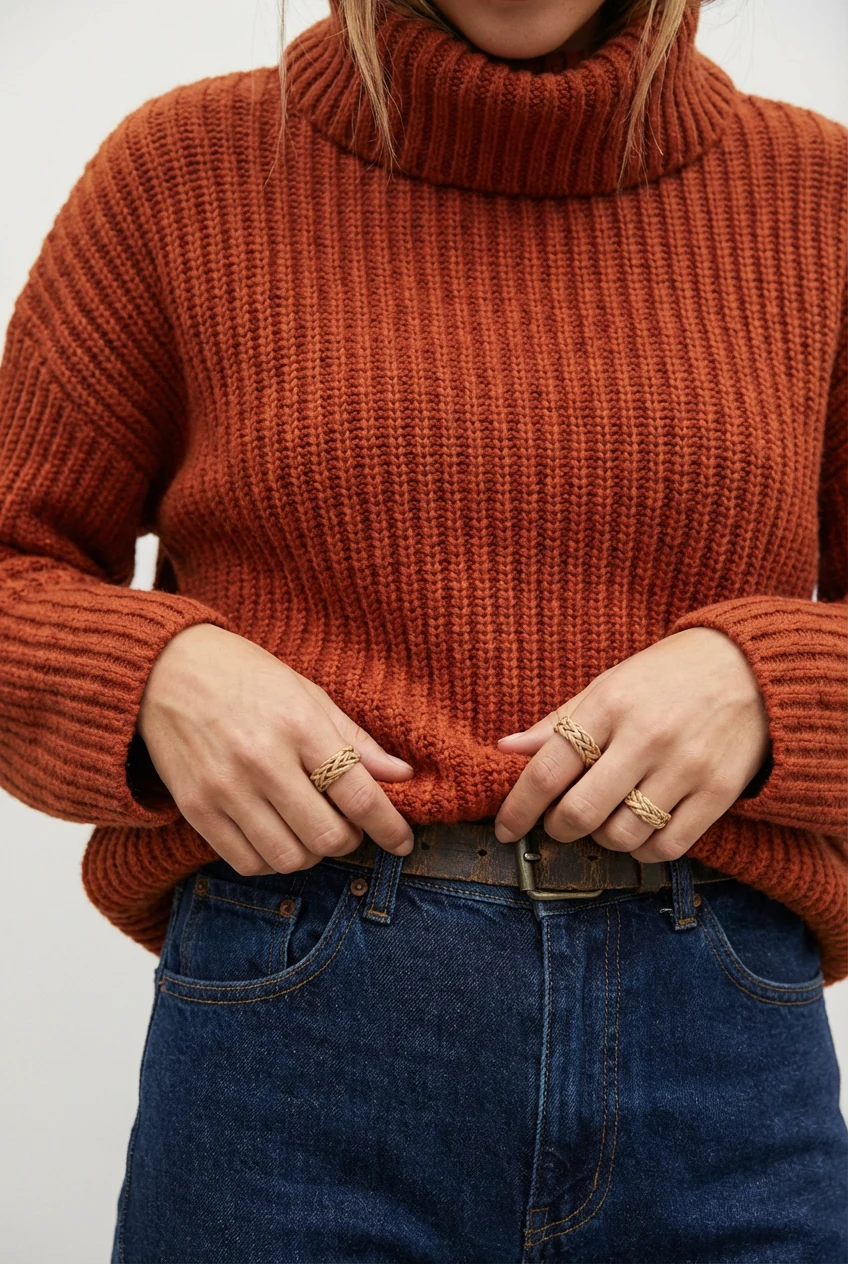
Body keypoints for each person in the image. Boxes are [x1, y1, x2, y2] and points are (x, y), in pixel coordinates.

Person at [0, 0, 845, 1258]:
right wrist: (154, 672)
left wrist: (774, 683)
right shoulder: (183, 174)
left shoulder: (818, 200)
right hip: (297, 1054)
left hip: (723, 1061)